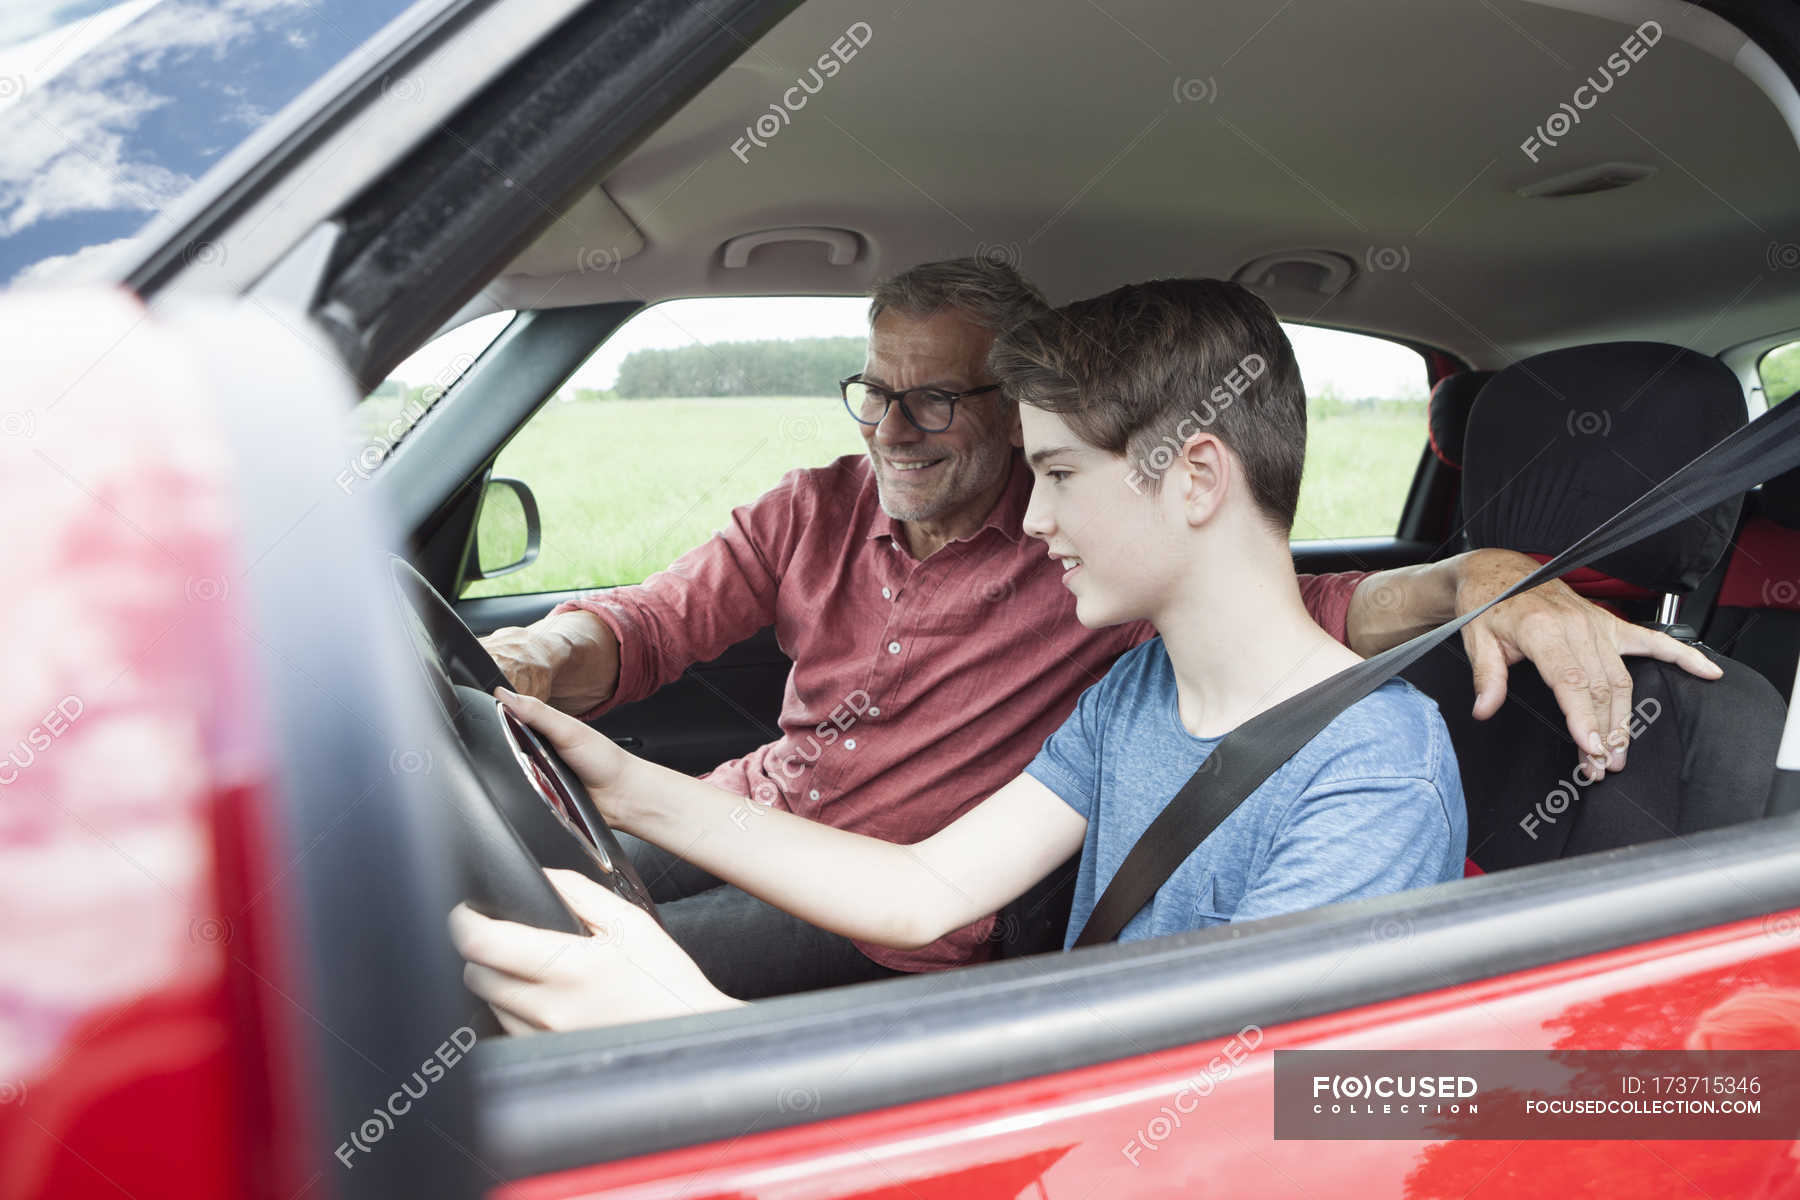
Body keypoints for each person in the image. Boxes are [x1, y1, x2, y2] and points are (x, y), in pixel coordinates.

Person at [475, 258, 1717, 997]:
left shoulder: (1373, 771)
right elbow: (923, 888)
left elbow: (1222, 1111)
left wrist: (676, 1034)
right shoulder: (1127, 701)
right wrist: (627, 787)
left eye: (1057, 473)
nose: (1038, 514)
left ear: (1191, 479)